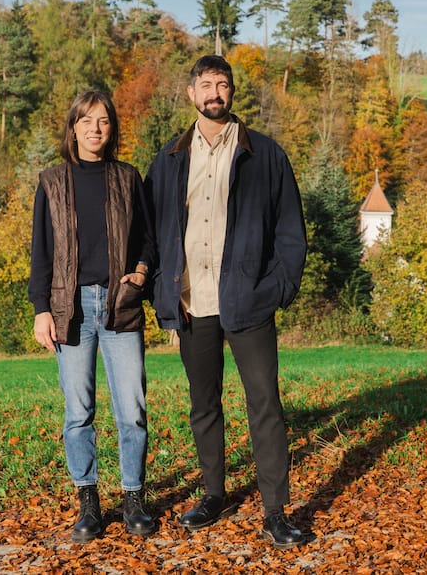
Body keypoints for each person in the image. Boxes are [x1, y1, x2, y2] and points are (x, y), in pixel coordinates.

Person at [145, 55, 307, 549]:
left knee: (265, 404)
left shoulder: (265, 155)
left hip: (249, 303)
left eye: (223, 84)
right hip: (192, 303)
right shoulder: (168, 160)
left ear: (232, 93)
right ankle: (214, 494)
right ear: (191, 93)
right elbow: (150, 233)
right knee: (204, 406)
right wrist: (162, 289)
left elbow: (291, 233)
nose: (214, 92)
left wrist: (275, 289)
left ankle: (275, 512)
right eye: (206, 84)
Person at [28, 89, 156, 543]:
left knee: (132, 410)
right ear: (73, 128)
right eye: (86, 121)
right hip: (71, 309)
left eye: (102, 120)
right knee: (78, 412)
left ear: (111, 127)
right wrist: (41, 309)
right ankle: (89, 503)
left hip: (121, 305)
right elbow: (41, 251)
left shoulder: (127, 178)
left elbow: (148, 239)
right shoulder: (51, 182)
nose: (95, 129)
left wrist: (141, 272)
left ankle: (133, 500)